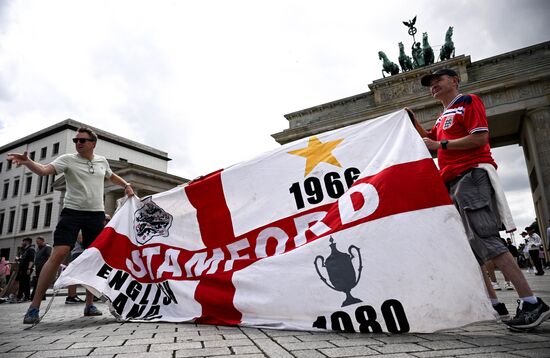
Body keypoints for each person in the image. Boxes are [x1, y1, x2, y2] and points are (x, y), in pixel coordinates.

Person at [407, 68, 550, 331]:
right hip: (451, 181)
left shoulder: (467, 102)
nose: (433, 85)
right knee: (468, 245)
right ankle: (494, 303)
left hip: (470, 175)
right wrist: (412, 121)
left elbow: (480, 137)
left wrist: (442, 147)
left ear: (455, 80)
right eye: (430, 84)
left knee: (485, 236)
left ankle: (531, 302)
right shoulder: (442, 117)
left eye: (439, 79)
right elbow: (429, 140)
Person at [8, 127, 134, 324]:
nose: (78, 143)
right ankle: (33, 308)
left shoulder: (101, 161)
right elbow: (44, 170)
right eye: (76, 140)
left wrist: (125, 185)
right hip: (72, 213)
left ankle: (89, 305)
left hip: (95, 215)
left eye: (82, 140)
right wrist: (28, 162)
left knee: (93, 257)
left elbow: (111, 176)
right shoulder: (67, 159)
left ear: (93, 143)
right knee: (58, 254)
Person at [16, 238, 35, 302]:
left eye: (23, 241)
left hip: (26, 269)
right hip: (22, 269)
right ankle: (21, 296)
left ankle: (24, 297)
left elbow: (31, 260)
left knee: (25, 283)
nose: (22, 243)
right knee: (22, 283)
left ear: (27, 242)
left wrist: (29, 268)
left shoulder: (31, 249)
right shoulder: (24, 250)